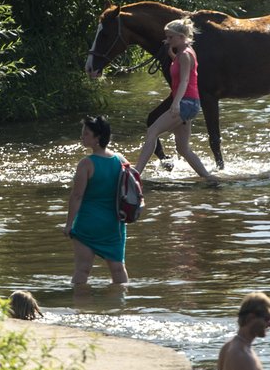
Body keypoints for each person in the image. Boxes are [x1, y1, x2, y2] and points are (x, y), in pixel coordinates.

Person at [133, 15, 219, 183]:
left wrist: (175, 103)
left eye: (170, 37)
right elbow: (178, 68)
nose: (167, 40)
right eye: (167, 37)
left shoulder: (186, 55)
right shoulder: (182, 53)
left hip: (186, 103)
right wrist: (171, 53)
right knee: (183, 148)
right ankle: (209, 177)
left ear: (181, 37)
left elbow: (185, 80)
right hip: (189, 103)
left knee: (152, 131)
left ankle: (135, 174)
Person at [64, 116, 129, 286]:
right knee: (118, 270)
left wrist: (69, 224)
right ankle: (121, 307)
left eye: (86, 133)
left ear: (98, 137)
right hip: (114, 224)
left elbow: (77, 196)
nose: (82, 137)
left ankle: (79, 309)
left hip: (88, 224)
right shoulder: (121, 160)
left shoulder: (86, 164)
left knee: (82, 270)